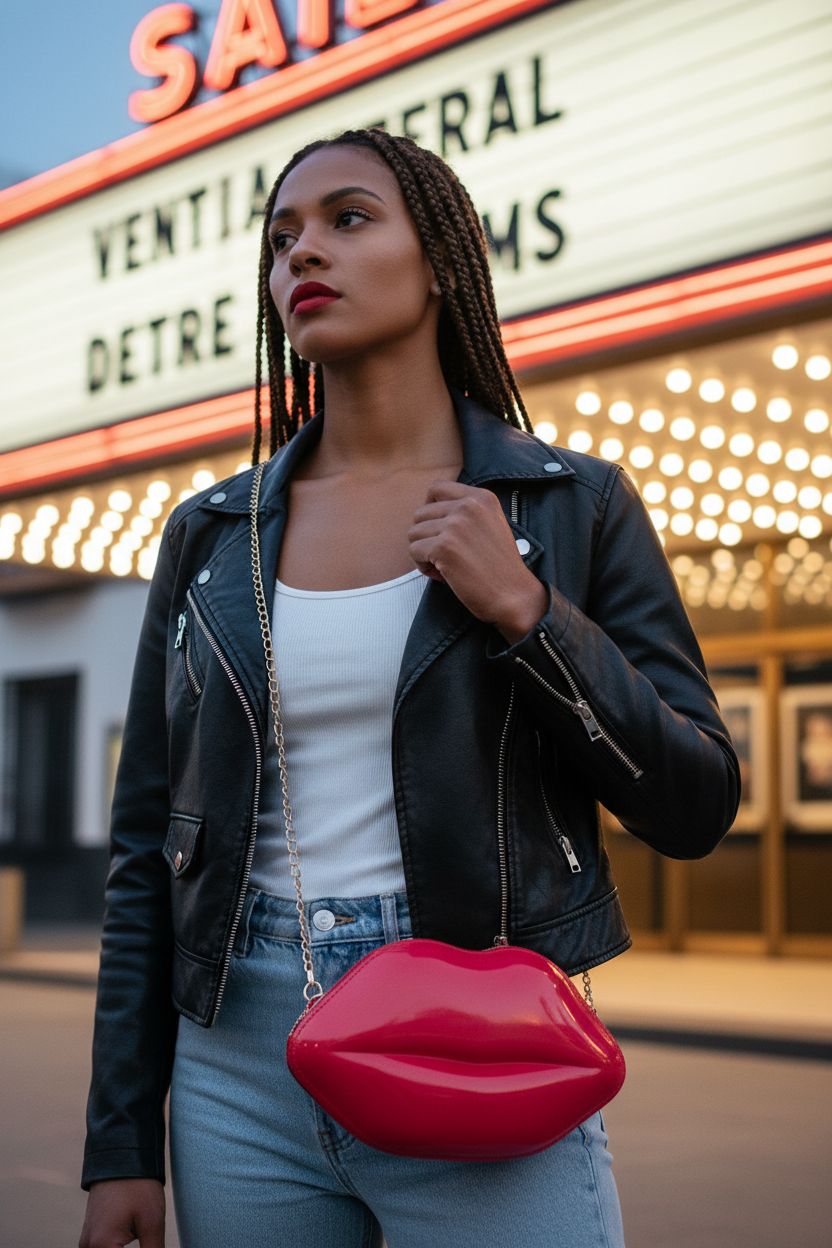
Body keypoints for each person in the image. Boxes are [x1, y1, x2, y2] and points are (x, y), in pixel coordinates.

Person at [78, 127, 741, 1248]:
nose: (302, 256)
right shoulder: (210, 536)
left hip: (477, 1022)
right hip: (236, 1051)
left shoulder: (568, 506)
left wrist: (530, 618)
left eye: (347, 219)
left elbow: (693, 802)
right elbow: (148, 845)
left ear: (441, 259)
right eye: (281, 238)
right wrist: (120, 1146)